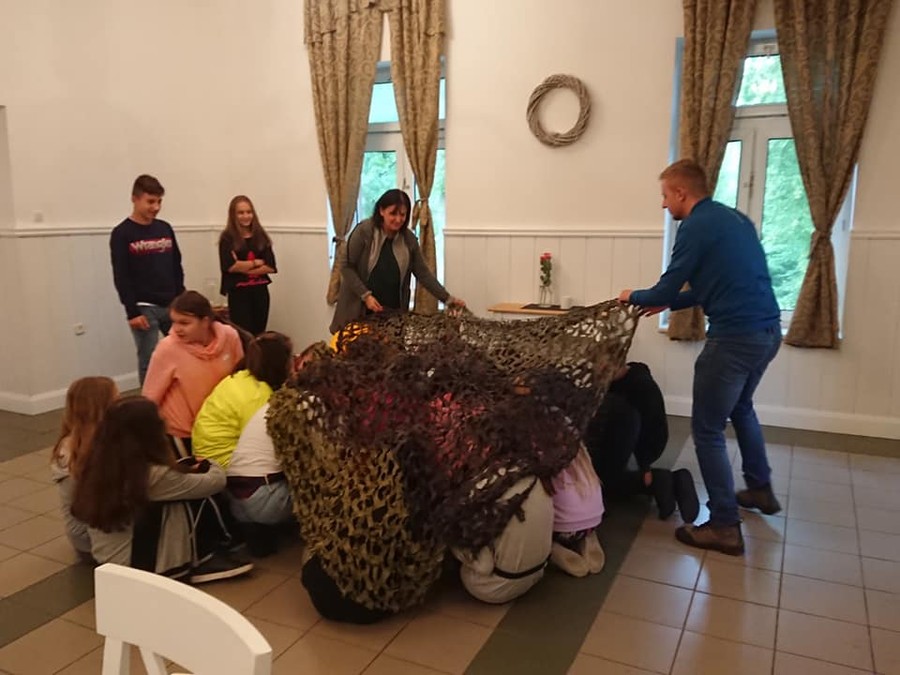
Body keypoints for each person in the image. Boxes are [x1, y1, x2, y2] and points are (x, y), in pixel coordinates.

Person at [619, 159, 781, 556]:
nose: (663, 204)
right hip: (767, 332)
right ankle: (760, 488)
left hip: (733, 339)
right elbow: (714, 287)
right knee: (741, 408)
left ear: (681, 192)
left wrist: (633, 296)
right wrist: (670, 303)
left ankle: (724, 525)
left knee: (706, 430)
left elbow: (665, 287)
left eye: (664, 195)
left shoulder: (694, 226)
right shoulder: (734, 219)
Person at [71, 396, 253, 583]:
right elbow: (215, 482)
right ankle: (206, 555)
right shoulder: (152, 476)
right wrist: (208, 462)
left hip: (108, 561)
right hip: (144, 568)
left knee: (180, 490)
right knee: (194, 497)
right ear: (148, 433)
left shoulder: (95, 464)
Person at [192, 332, 296, 555]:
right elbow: (265, 445)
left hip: (210, 459)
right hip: (228, 467)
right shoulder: (259, 397)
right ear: (280, 363)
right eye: (291, 358)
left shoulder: (239, 379)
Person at [329, 189, 465, 334]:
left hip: (392, 314)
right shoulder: (364, 231)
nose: (398, 219)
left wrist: (447, 299)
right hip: (358, 310)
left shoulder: (409, 240)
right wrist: (366, 296)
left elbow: (424, 274)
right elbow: (346, 267)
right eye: (393, 213)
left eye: (402, 214)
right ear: (381, 211)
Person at [584, 362, 699, 522]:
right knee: (607, 475)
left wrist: (643, 465)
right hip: (637, 440)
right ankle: (667, 479)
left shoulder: (631, 389)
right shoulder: (638, 379)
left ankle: (655, 480)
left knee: (604, 483)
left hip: (625, 437)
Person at [142, 291, 244, 456]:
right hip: (184, 433)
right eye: (174, 322)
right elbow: (149, 397)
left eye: (184, 323)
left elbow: (240, 378)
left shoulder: (230, 336)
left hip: (221, 427)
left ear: (205, 321)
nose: (176, 329)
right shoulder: (167, 348)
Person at [110, 174, 185, 385]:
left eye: (159, 201)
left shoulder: (165, 228)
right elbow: (121, 275)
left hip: (172, 303)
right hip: (143, 307)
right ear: (135, 199)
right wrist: (132, 311)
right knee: (149, 360)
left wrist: (181, 298)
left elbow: (176, 264)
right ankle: (148, 401)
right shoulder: (122, 233)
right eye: (150, 201)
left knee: (181, 352)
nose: (156, 207)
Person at [452, 475, 554, 604]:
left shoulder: (488, 490)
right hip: (537, 574)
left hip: (494, 589)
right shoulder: (539, 479)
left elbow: (484, 567)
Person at [50, 376, 119, 559]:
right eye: (116, 399)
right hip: (90, 541)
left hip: (83, 536)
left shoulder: (71, 443)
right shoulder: (87, 452)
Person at [218, 196, 277, 336]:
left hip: (260, 291)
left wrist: (242, 266)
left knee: (259, 333)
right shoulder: (227, 238)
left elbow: (271, 266)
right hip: (239, 293)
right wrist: (256, 262)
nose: (246, 216)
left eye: (249, 212)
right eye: (241, 213)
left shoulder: (260, 236)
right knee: (244, 334)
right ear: (233, 215)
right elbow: (230, 267)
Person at [548, 447, 606, 577]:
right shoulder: (577, 443)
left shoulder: (536, 446)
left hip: (560, 530)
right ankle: (587, 537)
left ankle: (550, 548)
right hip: (593, 521)